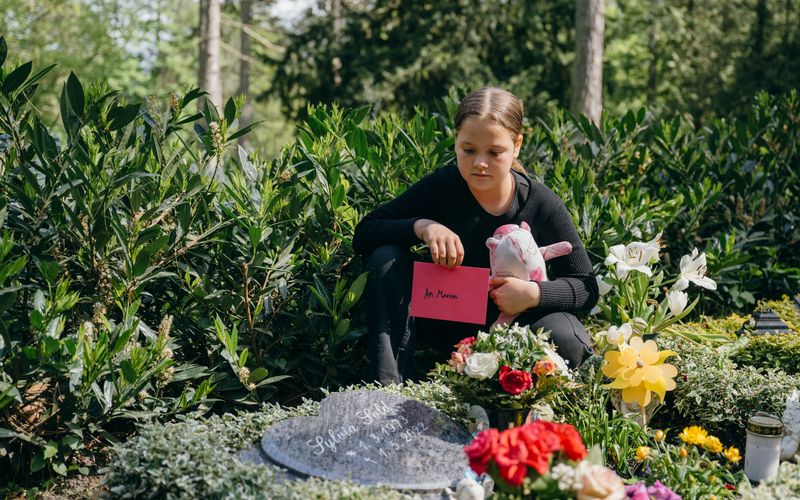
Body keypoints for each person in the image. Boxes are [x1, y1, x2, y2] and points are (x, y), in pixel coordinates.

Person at [353, 87, 598, 385]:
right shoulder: (442, 187)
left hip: (517, 328)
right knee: (385, 259)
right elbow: (365, 232)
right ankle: (388, 389)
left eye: (494, 152)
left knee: (566, 338)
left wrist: (533, 295)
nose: (480, 163)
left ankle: (537, 405)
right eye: (468, 150)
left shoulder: (541, 203)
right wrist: (422, 226)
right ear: (455, 141)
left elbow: (587, 287)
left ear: (517, 145)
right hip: (448, 323)